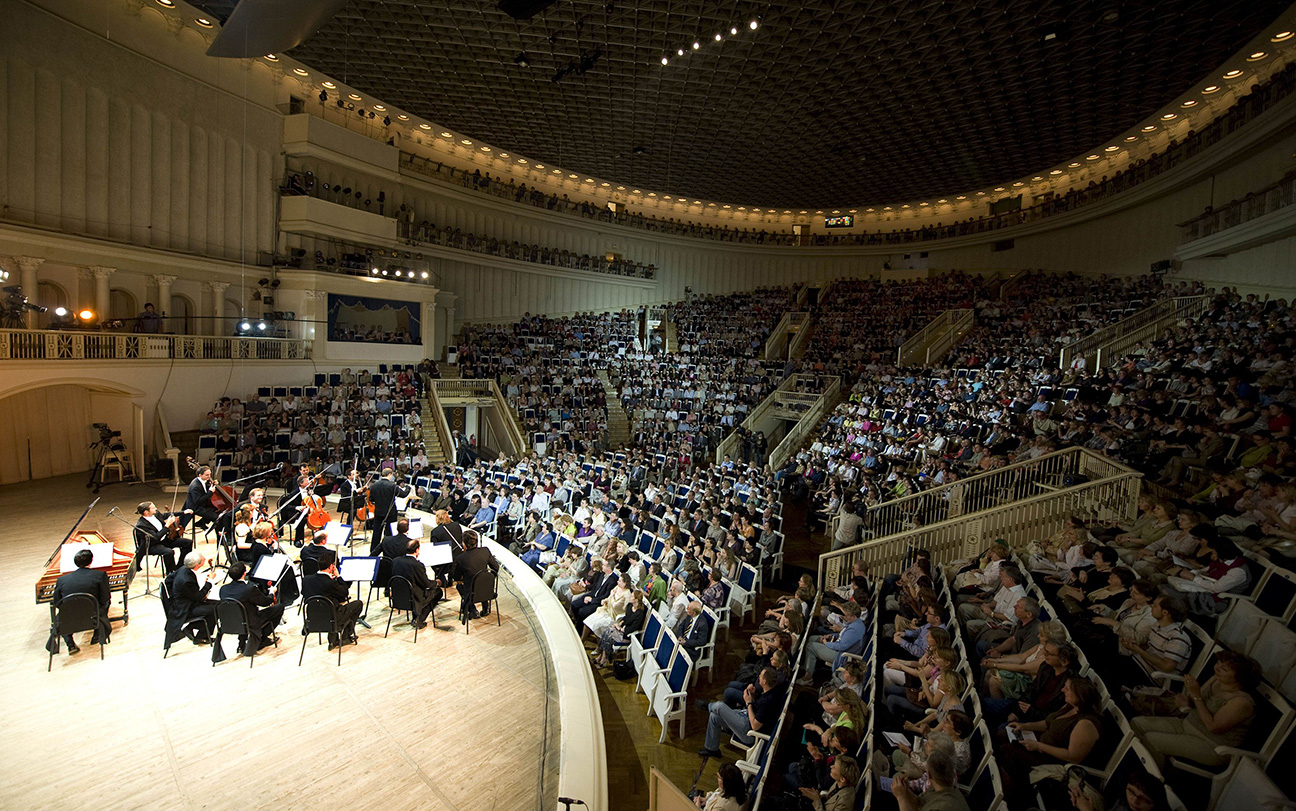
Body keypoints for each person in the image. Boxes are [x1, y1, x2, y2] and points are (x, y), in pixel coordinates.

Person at [1130, 650, 1259, 770]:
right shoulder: (1217, 679)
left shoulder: (1242, 702)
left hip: (1210, 744)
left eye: (1224, 668)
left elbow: (1212, 726)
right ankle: (1133, 765)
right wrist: (1187, 700)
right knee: (1137, 723)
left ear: (1239, 678)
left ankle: (1151, 780)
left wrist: (1195, 695)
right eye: (1219, 663)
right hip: (1188, 724)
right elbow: (1196, 702)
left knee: (1152, 741)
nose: (1218, 668)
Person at [698, 666, 786, 758]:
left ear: (764, 682)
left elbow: (755, 726)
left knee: (720, 706)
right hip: (745, 717)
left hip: (748, 732)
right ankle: (712, 749)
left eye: (760, 676)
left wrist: (748, 703)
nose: (758, 677)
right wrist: (752, 695)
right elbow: (757, 707)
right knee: (714, 717)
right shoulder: (768, 691)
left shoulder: (768, 701)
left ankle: (707, 706)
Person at [46, 548, 112, 655]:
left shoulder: (62, 580)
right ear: (91, 561)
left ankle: (70, 644)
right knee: (105, 603)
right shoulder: (99, 576)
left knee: (63, 614)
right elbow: (105, 598)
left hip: (68, 619)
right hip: (92, 617)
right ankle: (96, 635)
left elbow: (57, 602)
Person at [218, 560, 283, 657]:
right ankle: (262, 639)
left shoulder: (223, 589)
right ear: (244, 573)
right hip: (250, 622)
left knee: (243, 612)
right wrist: (271, 593)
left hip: (232, 622)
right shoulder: (249, 589)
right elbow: (265, 602)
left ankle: (242, 643)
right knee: (279, 608)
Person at [301, 550, 363, 649]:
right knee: (357, 604)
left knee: (332, 606)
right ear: (331, 566)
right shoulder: (330, 583)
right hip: (331, 619)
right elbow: (344, 593)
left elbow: (305, 594)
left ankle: (333, 639)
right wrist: (338, 577)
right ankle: (345, 636)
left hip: (313, 618)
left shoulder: (306, 580)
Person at [164, 551, 219, 644]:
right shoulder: (186, 581)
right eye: (202, 559)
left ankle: (191, 628)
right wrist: (209, 582)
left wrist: (176, 594)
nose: (204, 559)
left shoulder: (183, 568)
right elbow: (199, 597)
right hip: (185, 609)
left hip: (184, 602)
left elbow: (168, 580)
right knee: (215, 609)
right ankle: (201, 636)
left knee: (219, 604)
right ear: (197, 565)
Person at [892, 749, 969, 811]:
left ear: (929, 775)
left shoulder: (941, 807)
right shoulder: (940, 787)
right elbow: (919, 803)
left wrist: (900, 797)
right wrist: (906, 791)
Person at [391, 539, 442, 628]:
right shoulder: (417, 565)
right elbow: (426, 584)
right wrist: (436, 583)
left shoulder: (395, 561)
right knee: (438, 592)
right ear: (417, 550)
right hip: (414, 599)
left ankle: (416, 616)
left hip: (398, 597)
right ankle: (419, 619)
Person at [133, 501, 194, 574]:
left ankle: (181, 566)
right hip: (152, 545)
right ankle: (171, 572)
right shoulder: (141, 525)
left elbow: (166, 515)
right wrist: (167, 525)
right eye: (153, 508)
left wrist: (183, 512)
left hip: (164, 540)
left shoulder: (155, 514)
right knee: (168, 552)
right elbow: (156, 537)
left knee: (188, 543)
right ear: (146, 512)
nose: (155, 508)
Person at [453, 529, 500, 619]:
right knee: (482, 583)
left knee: (460, 586)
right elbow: (496, 568)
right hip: (488, 591)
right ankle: (485, 608)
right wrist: (489, 578)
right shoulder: (485, 551)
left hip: (472, 594)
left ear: (464, 543)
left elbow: (456, 578)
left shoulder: (461, 558)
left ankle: (473, 610)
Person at [368, 467, 400, 556]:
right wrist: (409, 488)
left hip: (378, 512)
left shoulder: (374, 485)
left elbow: (371, 499)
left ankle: (373, 551)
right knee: (389, 533)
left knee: (377, 532)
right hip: (390, 513)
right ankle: (388, 553)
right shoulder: (392, 486)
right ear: (390, 475)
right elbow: (403, 494)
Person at [183, 465, 219, 534]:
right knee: (216, 517)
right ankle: (219, 535)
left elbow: (204, 489)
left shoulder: (203, 481)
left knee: (217, 510)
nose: (209, 477)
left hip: (202, 505)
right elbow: (198, 501)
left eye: (210, 474)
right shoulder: (195, 486)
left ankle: (200, 523)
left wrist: (213, 485)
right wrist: (210, 492)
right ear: (200, 475)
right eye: (207, 475)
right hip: (196, 507)